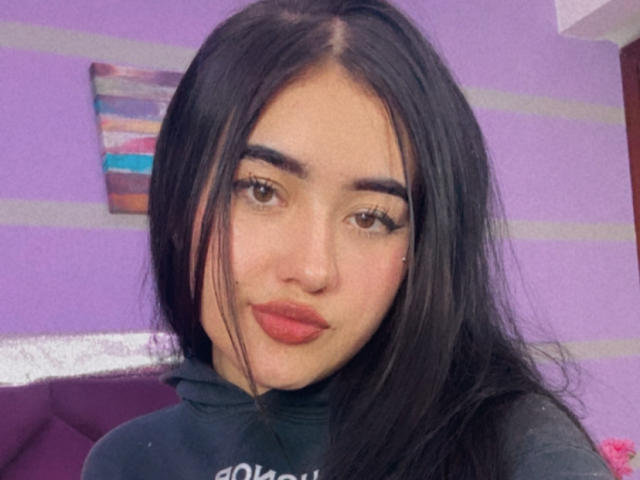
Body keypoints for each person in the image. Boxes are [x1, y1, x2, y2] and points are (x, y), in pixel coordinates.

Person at [83, 0, 614, 478]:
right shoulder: (125, 464)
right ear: (179, 200)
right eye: (261, 190)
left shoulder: (507, 440)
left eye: (370, 218)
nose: (313, 269)